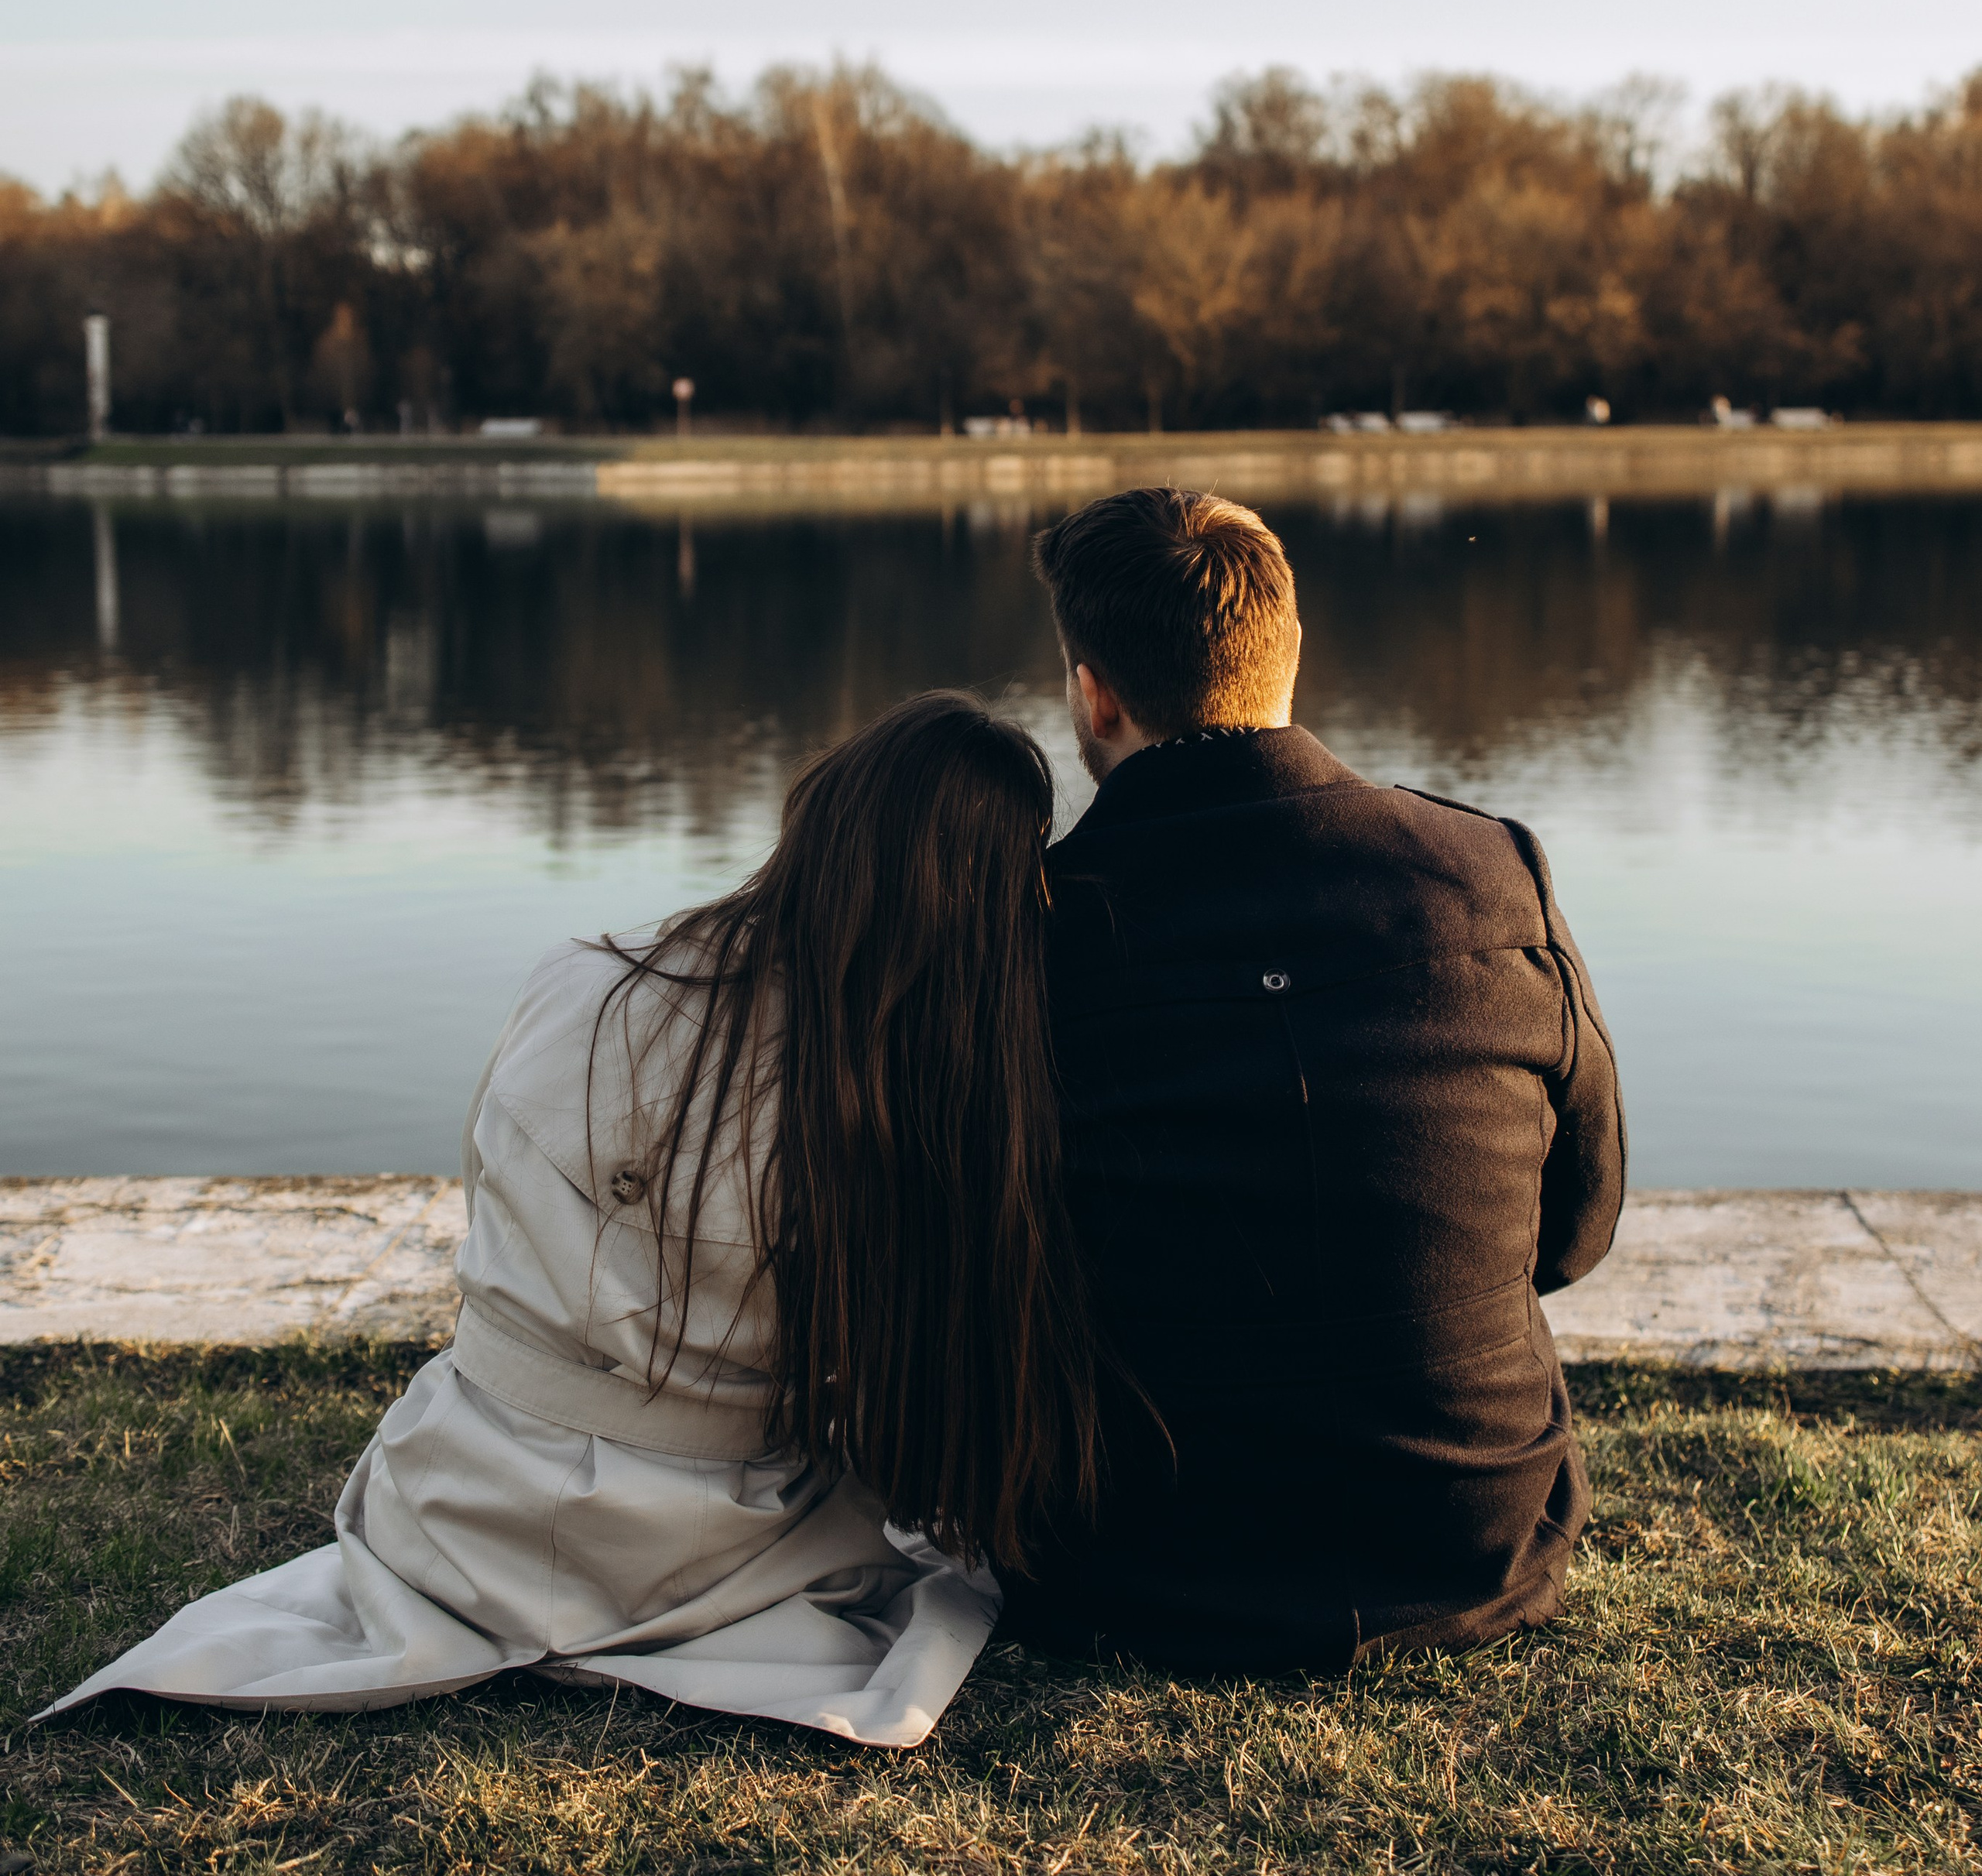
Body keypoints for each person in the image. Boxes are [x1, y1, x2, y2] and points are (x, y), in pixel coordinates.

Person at [46, 693, 1098, 1749]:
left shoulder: (583, 971)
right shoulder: (903, 1095)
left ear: (816, 826)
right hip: (706, 1551)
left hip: (458, 1501)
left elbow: (488, 1205)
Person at [999, 486, 1625, 1675]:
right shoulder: (1495, 869)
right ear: (1290, 653)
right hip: (1472, 1535)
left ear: (1093, 690)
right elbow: (1575, 1230)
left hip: (1135, 1555)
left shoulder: (1028, 925)